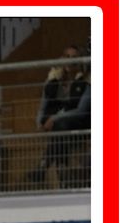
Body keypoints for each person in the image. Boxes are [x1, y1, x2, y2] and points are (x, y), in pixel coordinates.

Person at [28, 46, 91, 188]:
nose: (70, 61)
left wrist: (54, 118)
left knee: (61, 126)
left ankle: (43, 166)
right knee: (60, 129)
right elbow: (43, 104)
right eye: (67, 57)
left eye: (74, 57)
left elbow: (81, 111)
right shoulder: (53, 80)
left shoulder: (86, 81)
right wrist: (39, 123)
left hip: (78, 123)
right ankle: (62, 174)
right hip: (56, 126)